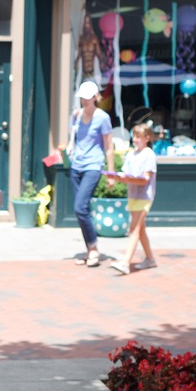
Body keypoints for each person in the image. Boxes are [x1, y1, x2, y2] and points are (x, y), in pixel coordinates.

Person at [57, 80, 114, 267]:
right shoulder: (75, 116)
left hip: (93, 165)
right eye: (82, 98)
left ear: (96, 97)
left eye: (88, 98)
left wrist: (111, 173)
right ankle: (90, 249)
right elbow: (73, 139)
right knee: (82, 210)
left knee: (80, 207)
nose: (84, 101)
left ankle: (93, 247)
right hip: (76, 165)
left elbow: (108, 147)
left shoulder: (103, 118)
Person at [111, 122, 158, 275]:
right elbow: (125, 173)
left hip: (144, 196)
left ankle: (125, 263)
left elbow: (145, 179)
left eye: (138, 137)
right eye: (134, 137)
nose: (135, 140)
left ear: (147, 138)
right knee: (141, 230)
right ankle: (150, 259)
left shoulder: (149, 154)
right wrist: (116, 177)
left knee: (134, 229)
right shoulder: (131, 154)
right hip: (133, 195)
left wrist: (126, 180)